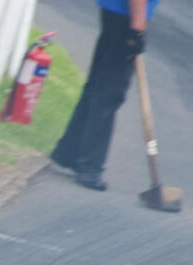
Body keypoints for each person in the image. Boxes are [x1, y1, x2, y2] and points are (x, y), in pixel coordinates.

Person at [51, 0, 158, 191]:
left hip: (116, 12)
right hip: (126, 17)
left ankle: (69, 152)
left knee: (98, 84)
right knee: (109, 92)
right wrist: (138, 28)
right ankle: (89, 166)